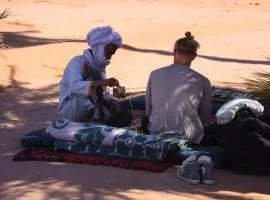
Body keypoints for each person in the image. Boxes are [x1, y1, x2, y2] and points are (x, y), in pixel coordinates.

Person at [58, 26, 132, 127]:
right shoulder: (77, 61)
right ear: (100, 47)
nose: (110, 57)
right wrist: (103, 82)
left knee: (121, 113)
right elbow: (76, 87)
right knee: (91, 85)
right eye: (109, 53)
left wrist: (110, 102)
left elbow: (102, 93)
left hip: (89, 111)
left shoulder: (98, 67)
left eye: (112, 54)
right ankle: (98, 124)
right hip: (71, 110)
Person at [145, 31, 212, 144]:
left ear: (174, 52)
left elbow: (148, 111)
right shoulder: (203, 81)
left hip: (156, 134)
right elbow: (205, 118)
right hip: (190, 137)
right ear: (194, 56)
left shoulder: (155, 74)